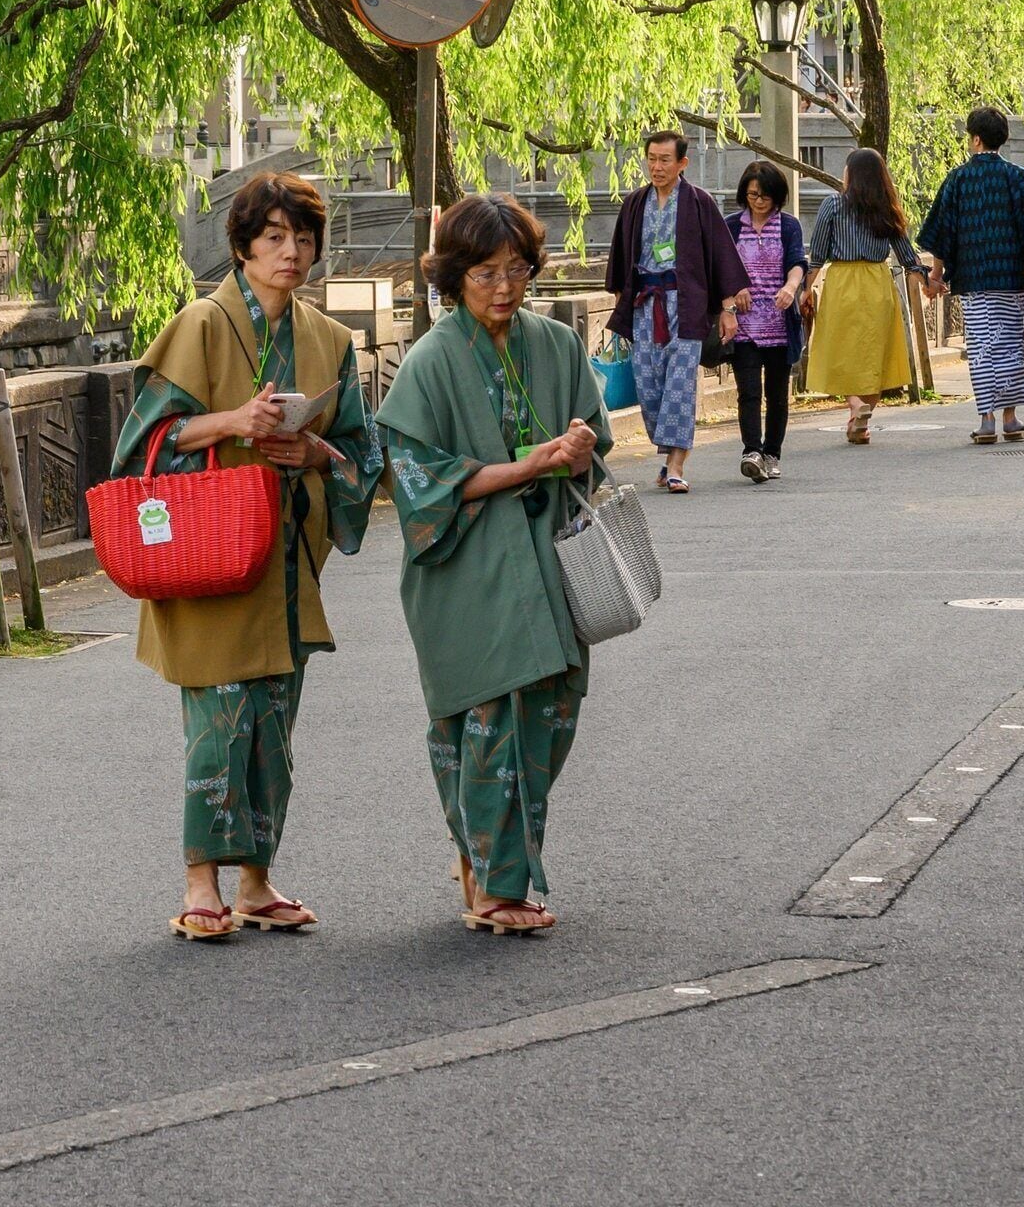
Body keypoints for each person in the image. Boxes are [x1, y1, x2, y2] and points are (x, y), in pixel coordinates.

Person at [109, 173, 382, 943]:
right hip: (207, 551)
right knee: (217, 722)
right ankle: (202, 881)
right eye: (272, 239)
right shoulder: (198, 325)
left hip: (283, 563)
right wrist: (233, 420)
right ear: (242, 248)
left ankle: (257, 884)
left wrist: (315, 449)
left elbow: (363, 453)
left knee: (273, 722)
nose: (290, 253)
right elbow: (143, 448)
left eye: (302, 239)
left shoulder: (328, 341)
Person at [381, 194, 615, 936]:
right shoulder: (429, 362)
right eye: (484, 273)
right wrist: (529, 465)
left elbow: (594, 440)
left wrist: (576, 448)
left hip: (548, 566)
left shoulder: (556, 344)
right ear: (454, 277)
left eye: (517, 269)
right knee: (483, 722)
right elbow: (417, 479)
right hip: (466, 569)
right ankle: (493, 885)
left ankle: (491, 866)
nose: (505, 288)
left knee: (548, 715)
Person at [600, 129, 747, 492]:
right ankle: (667, 455)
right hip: (645, 307)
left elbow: (719, 258)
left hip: (686, 306)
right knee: (649, 386)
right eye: (652, 158)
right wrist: (621, 306)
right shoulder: (635, 203)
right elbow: (621, 261)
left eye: (665, 160)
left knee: (680, 384)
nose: (657, 166)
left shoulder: (699, 202)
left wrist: (728, 309)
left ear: (683, 162)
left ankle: (677, 463)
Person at [915, 105, 1024, 446]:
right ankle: (1010, 417)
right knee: (1010, 346)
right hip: (1010, 278)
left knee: (981, 347)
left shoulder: (958, 179)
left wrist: (936, 275)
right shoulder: (1019, 178)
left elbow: (942, 235)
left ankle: (986, 420)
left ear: (975, 139)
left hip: (974, 281)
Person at [807, 148, 929, 445]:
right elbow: (908, 258)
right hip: (878, 284)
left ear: (850, 173)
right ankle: (859, 425)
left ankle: (854, 404)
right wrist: (928, 281)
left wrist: (804, 291)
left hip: (842, 284)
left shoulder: (833, 204)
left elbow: (817, 256)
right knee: (875, 356)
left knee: (838, 351)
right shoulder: (886, 207)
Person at [717, 162, 809, 482]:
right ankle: (751, 451)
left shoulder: (788, 226)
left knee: (777, 393)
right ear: (744, 193)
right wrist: (732, 294)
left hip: (780, 324)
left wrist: (790, 287)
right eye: (753, 194)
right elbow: (720, 269)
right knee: (749, 391)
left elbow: (798, 262)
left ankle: (772, 453)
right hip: (744, 325)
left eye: (766, 195)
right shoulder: (731, 226)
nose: (759, 200)